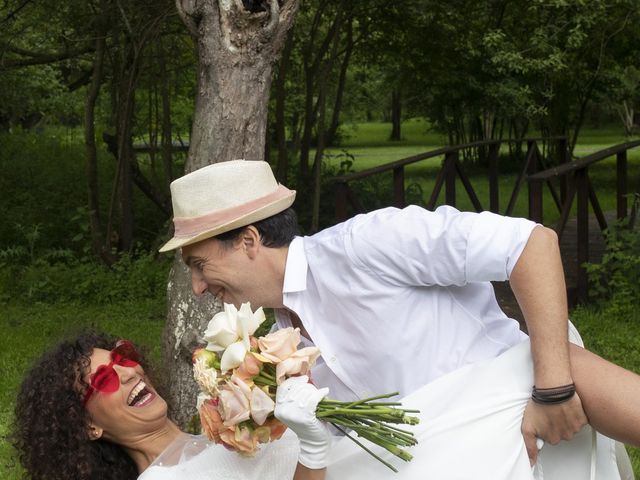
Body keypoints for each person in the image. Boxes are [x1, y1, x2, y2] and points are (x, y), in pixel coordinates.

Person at [159, 159, 640, 468]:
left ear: (248, 241)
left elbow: (531, 244)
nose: (198, 287)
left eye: (200, 266)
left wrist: (553, 389)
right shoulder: (279, 348)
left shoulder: (369, 244)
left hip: (536, 433)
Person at [12, 332, 330, 480]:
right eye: (104, 379)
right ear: (89, 426)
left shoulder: (226, 431)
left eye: (122, 357)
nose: (130, 371)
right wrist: (313, 453)